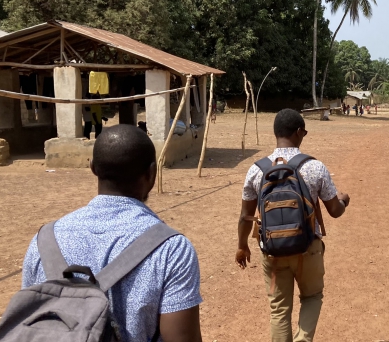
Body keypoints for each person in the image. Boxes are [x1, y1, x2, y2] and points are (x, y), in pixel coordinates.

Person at [20, 124, 203, 342]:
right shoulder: (172, 250)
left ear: (93, 167)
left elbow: (29, 325)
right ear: (152, 173)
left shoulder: (44, 242)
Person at [237, 109, 350, 342]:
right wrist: (344, 200)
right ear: (299, 132)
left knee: (279, 310)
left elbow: (245, 216)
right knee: (312, 297)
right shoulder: (315, 167)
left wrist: (242, 246)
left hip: (272, 251)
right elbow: (335, 211)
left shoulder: (256, 170)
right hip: (308, 248)